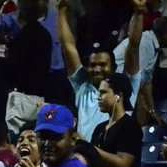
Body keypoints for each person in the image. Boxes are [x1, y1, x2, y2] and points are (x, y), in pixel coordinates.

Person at [56, 0, 142, 142]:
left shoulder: (125, 86)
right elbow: (67, 46)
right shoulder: (82, 86)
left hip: (113, 156)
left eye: (102, 64)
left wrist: (139, 12)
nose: (96, 69)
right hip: (83, 158)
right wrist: (61, 10)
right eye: (92, 65)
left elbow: (133, 47)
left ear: (114, 68)